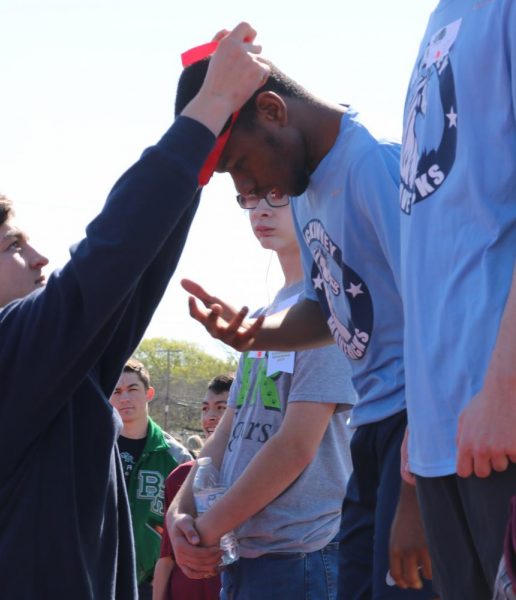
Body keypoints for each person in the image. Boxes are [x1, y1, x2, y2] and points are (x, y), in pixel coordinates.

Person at [0, 24, 270, 598]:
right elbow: (102, 262)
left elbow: (130, 275)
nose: (40, 258)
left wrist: (202, 140)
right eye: (14, 247)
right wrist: (209, 107)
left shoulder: (39, 365)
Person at [169, 50, 434, 598]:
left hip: (416, 433)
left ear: (272, 110)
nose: (247, 185)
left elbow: (435, 325)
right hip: (376, 433)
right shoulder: (310, 192)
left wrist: (416, 487)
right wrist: (254, 335)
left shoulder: (373, 169)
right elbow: (330, 312)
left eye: (241, 166)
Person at [174, 193, 355, 599]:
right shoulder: (262, 317)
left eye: (275, 194)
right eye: (248, 197)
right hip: (245, 555)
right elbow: (227, 431)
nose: (260, 209)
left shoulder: (328, 308)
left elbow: (295, 446)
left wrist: (206, 529)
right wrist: (180, 514)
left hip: (301, 556)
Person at [397, 3, 516, 598]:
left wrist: (505, 386)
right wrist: (420, 412)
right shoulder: (443, 15)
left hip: (500, 422)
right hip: (445, 434)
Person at [110, 359, 193, 598]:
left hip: (150, 582)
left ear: (149, 393)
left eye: (132, 389)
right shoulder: (95, 450)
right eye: (116, 391)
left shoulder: (175, 456)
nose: (124, 398)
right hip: (99, 572)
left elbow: (187, 518)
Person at [153, 374, 233, 600]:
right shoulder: (182, 476)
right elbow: (166, 559)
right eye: (205, 409)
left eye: (222, 408)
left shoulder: (257, 474)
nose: (210, 417)